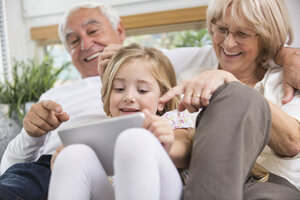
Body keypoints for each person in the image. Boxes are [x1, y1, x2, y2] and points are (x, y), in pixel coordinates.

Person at [0, 1, 299, 200]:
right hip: (56, 165)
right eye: (73, 40)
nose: (228, 42)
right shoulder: (58, 93)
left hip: (166, 168)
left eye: (93, 31)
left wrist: (283, 52)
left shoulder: (179, 88)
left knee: (135, 140)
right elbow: (13, 162)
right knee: (72, 156)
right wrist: (42, 136)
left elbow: (184, 139)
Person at [158, 0, 300, 199]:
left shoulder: (286, 78)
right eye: (222, 29)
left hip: (273, 183)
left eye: (242, 34)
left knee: (237, 95)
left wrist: (230, 83)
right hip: (205, 180)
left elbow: (292, 142)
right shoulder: (192, 79)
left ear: (266, 37)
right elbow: (182, 134)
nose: (228, 42)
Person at [48, 43, 194, 200]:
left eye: (142, 90)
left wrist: (169, 145)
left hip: (163, 191)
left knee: (134, 138)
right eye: (119, 89)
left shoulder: (170, 120)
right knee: (73, 154)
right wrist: (61, 164)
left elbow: (186, 150)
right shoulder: (101, 133)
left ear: (162, 99)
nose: (129, 97)